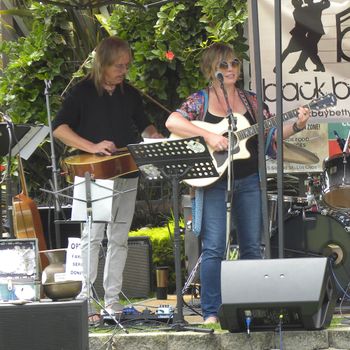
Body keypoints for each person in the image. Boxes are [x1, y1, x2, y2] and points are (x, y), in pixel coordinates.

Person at [165, 43, 311, 324]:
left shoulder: (251, 102)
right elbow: (173, 121)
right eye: (223, 65)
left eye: (233, 63)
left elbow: (271, 136)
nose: (231, 69)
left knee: (251, 247)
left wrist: (298, 124)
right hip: (211, 182)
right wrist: (208, 136)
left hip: (248, 179)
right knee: (214, 247)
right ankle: (211, 311)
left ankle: (253, 309)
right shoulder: (200, 101)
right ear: (211, 70)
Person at [52, 36, 163, 322]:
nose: (124, 70)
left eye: (127, 65)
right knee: (93, 236)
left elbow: (144, 123)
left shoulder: (129, 93)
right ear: (103, 63)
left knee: (119, 238)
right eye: (119, 65)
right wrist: (92, 146)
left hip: (127, 170)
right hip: (94, 173)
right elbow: (59, 129)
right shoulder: (82, 92)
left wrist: (153, 136)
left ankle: (111, 301)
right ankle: (86, 303)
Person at [289, 0, 330, 73]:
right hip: (315, 32)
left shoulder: (309, 8)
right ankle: (319, 66)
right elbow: (327, 5)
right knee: (311, 51)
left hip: (315, 32)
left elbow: (327, 5)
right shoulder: (316, 6)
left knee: (307, 50)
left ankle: (297, 67)